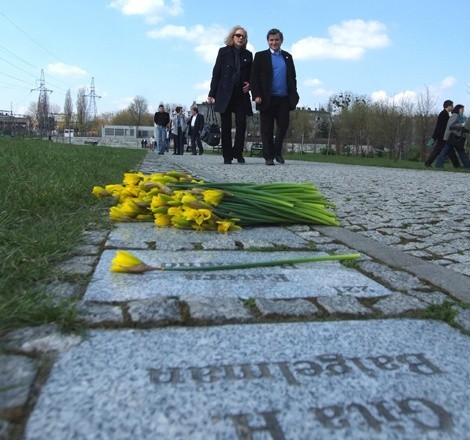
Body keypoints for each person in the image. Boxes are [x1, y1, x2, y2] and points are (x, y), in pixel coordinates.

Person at [250, 28, 299, 166]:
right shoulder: (260, 56)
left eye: (276, 40)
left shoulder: (288, 57)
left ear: (281, 40)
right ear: (267, 41)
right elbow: (254, 77)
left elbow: (292, 77)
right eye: (271, 40)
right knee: (267, 128)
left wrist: (293, 94)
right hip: (266, 98)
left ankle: (277, 151)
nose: (274, 42)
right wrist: (256, 95)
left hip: (283, 98)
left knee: (283, 125)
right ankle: (268, 156)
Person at [208, 25, 253, 164]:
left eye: (243, 36)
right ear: (232, 37)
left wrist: (250, 84)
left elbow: (252, 74)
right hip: (225, 93)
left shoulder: (248, 55)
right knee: (226, 126)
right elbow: (216, 73)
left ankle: (238, 153)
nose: (241, 38)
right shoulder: (223, 52)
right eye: (238, 35)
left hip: (241, 94)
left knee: (241, 125)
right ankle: (227, 155)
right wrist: (211, 93)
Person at [425, 100, 460, 168]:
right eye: (452, 105)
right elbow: (443, 127)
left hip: (442, 136)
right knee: (444, 150)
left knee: (447, 150)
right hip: (442, 136)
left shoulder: (445, 113)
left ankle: (456, 165)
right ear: (448, 106)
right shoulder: (444, 114)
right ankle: (456, 165)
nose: (453, 107)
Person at [435, 104, 470, 169]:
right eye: (462, 109)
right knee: (448, 152)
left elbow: (460, 128)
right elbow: (451, 125)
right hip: (453, 138)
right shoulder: (455, 115)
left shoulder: (459, 117)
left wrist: (468, 131)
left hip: (457, 138)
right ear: (458, 109)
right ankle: (439, 165)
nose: (463, 110)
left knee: (450, 152)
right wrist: (461, 125)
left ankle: (439, 165)